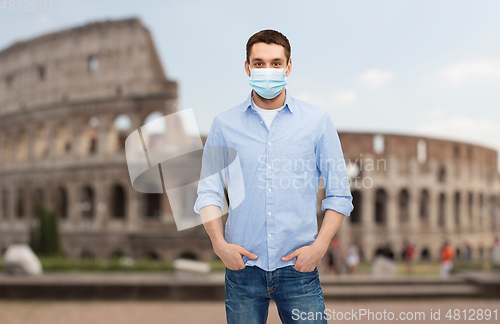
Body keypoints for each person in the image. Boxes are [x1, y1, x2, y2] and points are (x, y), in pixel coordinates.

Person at [194, 29, 354, 324]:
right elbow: (209, 191)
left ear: (288, 67)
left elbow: (340, 194)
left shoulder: (317, 122)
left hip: (299, 268)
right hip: (243, 268)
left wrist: (319, 248)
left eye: (276, 63)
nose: (268, 70)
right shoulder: (224, 125)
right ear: (247, 68)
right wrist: (219, 244)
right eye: (259, 63)